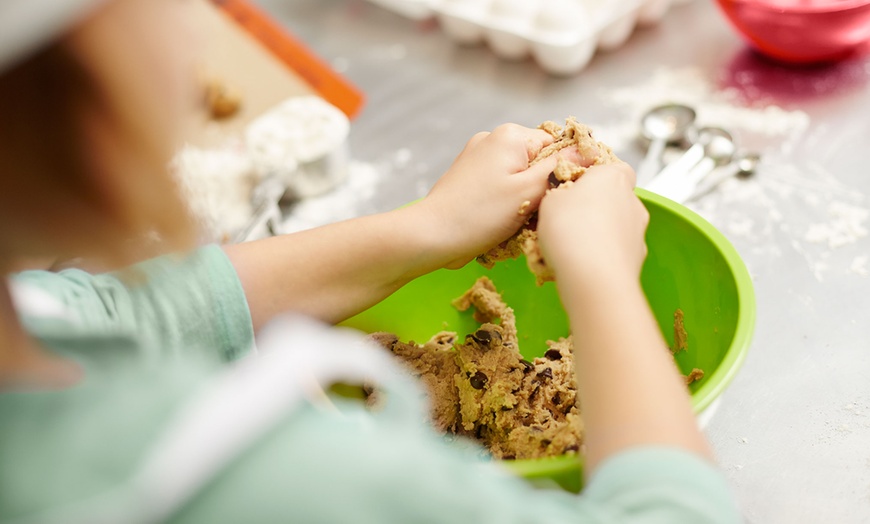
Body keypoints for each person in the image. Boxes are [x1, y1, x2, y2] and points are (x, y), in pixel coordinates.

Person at [0, 0, 741, 522]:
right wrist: (604, 277)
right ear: (70, 74)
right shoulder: (242, 481)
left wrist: (430, 227)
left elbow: (107, 312)